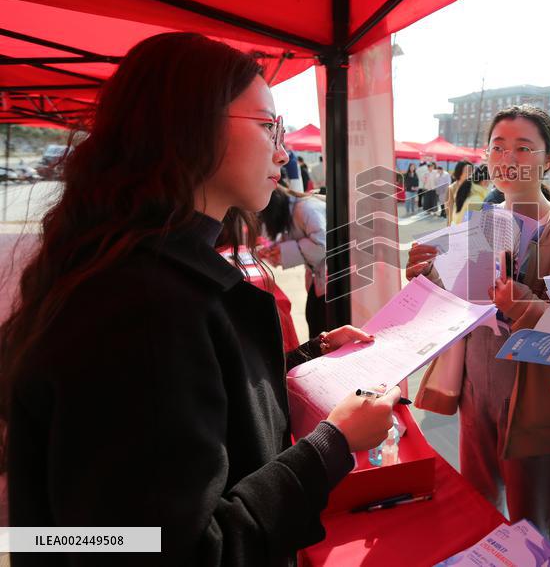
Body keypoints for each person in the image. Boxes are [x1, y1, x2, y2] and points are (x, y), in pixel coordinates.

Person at [0, 33, 400, 566]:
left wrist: (305, 362)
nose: (282, 151)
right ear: (190, 125)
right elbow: (173, 550)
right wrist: (331, 445)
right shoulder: (140, 307)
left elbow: (187, 410)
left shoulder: (140, 274)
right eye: (267, 126)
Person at [407, 105, 550, 541]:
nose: (508, 157)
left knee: (533, 531)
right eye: (498, 146)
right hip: (477, 388)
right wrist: (427, 277)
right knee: (478, 511)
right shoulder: (483, 223)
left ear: (548, 160)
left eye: (524, 148)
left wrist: (524, 302)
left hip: (534, 404)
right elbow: (457, 305)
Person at [258, 185, 328, 338]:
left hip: (329, 278)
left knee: (320, 325)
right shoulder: (296, 209)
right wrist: (277, 250)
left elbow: (322, 245)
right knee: (316, 322)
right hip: (321, 278)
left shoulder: (305, 208)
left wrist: (282, 251)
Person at [444, 160, 473, 225]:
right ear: (459, 171)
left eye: (471, 171)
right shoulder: (451, 188)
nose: (470, 174)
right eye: (467, 171)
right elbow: (449, 210)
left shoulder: (474, 187)